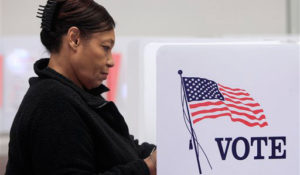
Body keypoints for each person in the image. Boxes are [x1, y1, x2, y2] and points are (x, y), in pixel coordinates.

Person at [5, 0, 157, 174]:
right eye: (105, 48)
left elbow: (123, 147)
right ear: (74, 39)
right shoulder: (53, 102)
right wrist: (148, 167)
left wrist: (158, 154)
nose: (111, 61)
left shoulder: (79, 96)